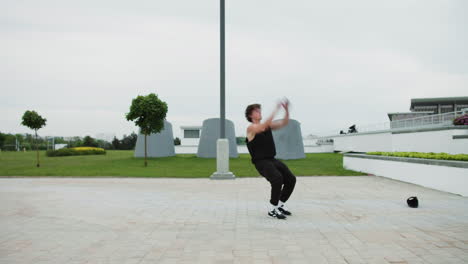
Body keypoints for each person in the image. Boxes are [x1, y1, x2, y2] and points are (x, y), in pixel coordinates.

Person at [245, 99, 297, 219]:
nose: (259, 112)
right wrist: (276, 109)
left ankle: (280, 205)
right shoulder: (251, 128)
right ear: (250, 115)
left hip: (272, 159)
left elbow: (284, 123)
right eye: (256, 111)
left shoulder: (267, 126)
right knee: (277, 179)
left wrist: (286, 110)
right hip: (261, 162)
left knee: (291, 179)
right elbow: (262, 127)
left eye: (259, 110)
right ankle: (272, 209)